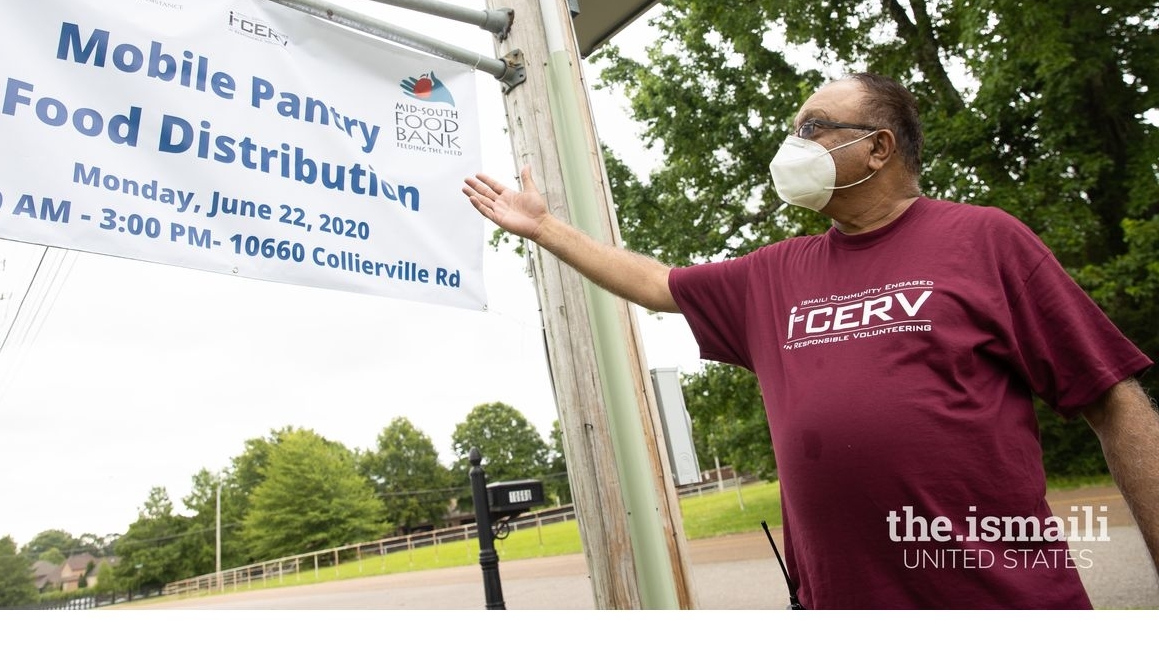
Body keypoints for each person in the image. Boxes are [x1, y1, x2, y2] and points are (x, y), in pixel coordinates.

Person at [463, 72, 1159, 609]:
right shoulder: (774, 273)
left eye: (815, 127)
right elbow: (654, 281)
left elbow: (1115, 401)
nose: (793, 146)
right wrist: (547, 229)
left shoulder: (984, 239)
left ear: (878, 148)